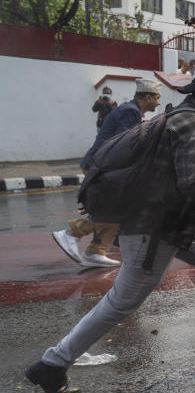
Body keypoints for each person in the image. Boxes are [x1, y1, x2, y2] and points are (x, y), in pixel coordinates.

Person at [25, 60, 195, 393]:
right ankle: (52, 363)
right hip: (155, 228)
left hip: (171, 223)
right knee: (122, 302)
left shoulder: (183, 115)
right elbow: (194, 185)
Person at [54, 79, 163, 268]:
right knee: (111, 210)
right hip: (102, 165)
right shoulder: (130, 111)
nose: (159, 103)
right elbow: (124, 144)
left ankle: (95, 252)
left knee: (116, 210)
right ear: (148, 97)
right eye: (157, 98)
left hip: (105, 164)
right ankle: (72, 233)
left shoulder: (132, 111)